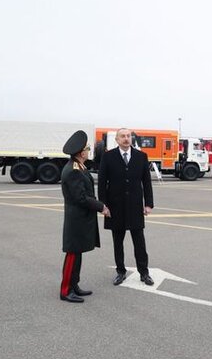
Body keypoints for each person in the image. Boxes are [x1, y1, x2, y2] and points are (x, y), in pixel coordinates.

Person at [98, 128, 155, 286]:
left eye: (128, 136)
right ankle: (120, 271)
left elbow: (147, 182)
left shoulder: (141, 156)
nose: (126, 139)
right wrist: (103, 205)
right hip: (115, 207)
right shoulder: (108, 156)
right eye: (122, 136)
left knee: (139, 241)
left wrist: (148, 204)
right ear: (116, 139)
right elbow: (102, 182)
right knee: (118, 241)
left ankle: (144, 272)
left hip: (135, 206)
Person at [60, 130, 110, 303]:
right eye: (87, 149)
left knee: (78, 253)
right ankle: (66, 290)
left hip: (81, 219)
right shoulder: (73, 170)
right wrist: (101, 206)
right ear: (81, 153)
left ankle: (74, 285)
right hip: (77, 220)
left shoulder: (79, 166)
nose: (89, 151)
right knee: (73, 254)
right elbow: (80, 197)